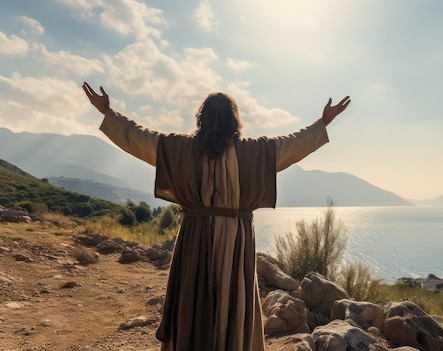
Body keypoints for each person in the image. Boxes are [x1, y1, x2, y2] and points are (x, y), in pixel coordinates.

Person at [82, 82, 350, 350]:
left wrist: (108, 112)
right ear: (234, 120)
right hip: (236, 238)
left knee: (192, 295)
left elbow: (139, 138)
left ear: (203, 118)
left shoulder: (179, 149)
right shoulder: (254, 152)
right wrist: (323, 122)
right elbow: (293, 144)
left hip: (195, 234)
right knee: (232, 298)